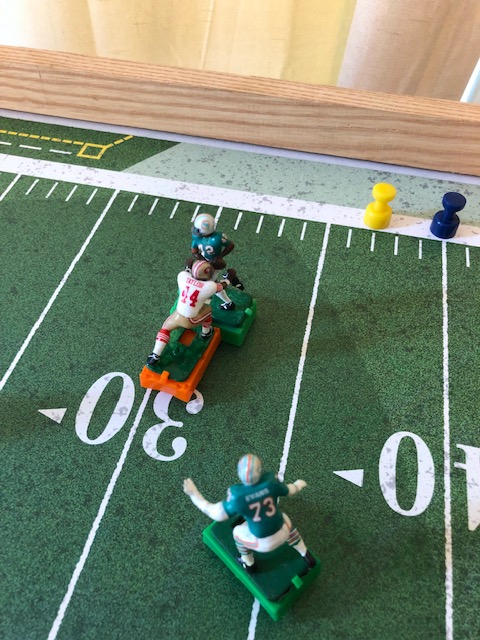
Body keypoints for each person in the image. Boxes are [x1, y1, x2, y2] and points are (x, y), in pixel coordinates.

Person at [183, 453, 316, 573]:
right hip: (284, 531)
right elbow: (290, 490)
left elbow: (215, 513)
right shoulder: (270, 483)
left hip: (264, 543)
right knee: (284, 518)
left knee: (237, 532)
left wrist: (194, 494)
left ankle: (248, 563)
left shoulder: (238, 497)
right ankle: (304, 552)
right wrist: (298, 485)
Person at [146, 259, 228, 366]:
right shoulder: (210, 286)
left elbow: (187, 267)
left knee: (165, 329)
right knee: (208, 309)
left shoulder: (183, 276)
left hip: (177, 315)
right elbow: (221, 286)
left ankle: (155, 355)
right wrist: (228, 279)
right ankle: (206, 332)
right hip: (190, 320)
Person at [191, 213, 244, 304]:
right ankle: (230, 278)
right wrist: (204, 261)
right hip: (205, 261)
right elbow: (194, 252)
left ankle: (228, 298)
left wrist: (220, 256)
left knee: (213, 285)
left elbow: (231, 245)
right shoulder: (201, 237)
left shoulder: (217, 238)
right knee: (206, 280)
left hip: (215, 263)